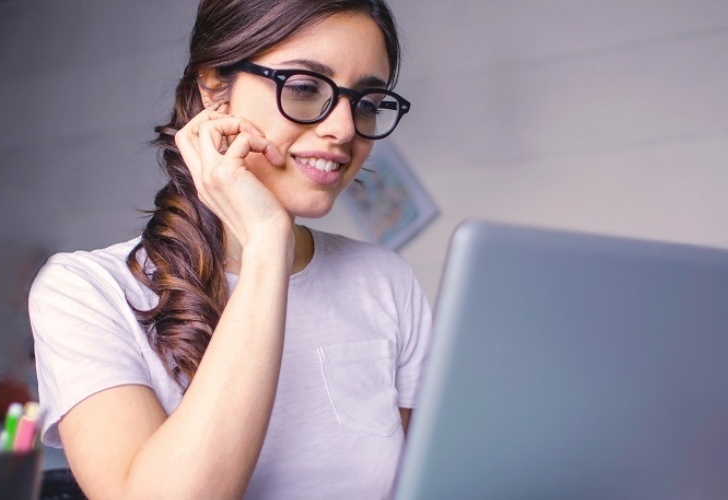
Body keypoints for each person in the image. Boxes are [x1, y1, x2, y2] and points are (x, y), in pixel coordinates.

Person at [28, 0, 429, 497]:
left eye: (367, 102)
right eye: (304, 88)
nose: (344, 129)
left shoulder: (386, 282)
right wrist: (267, 242)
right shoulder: (86, 292)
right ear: (214, 86)